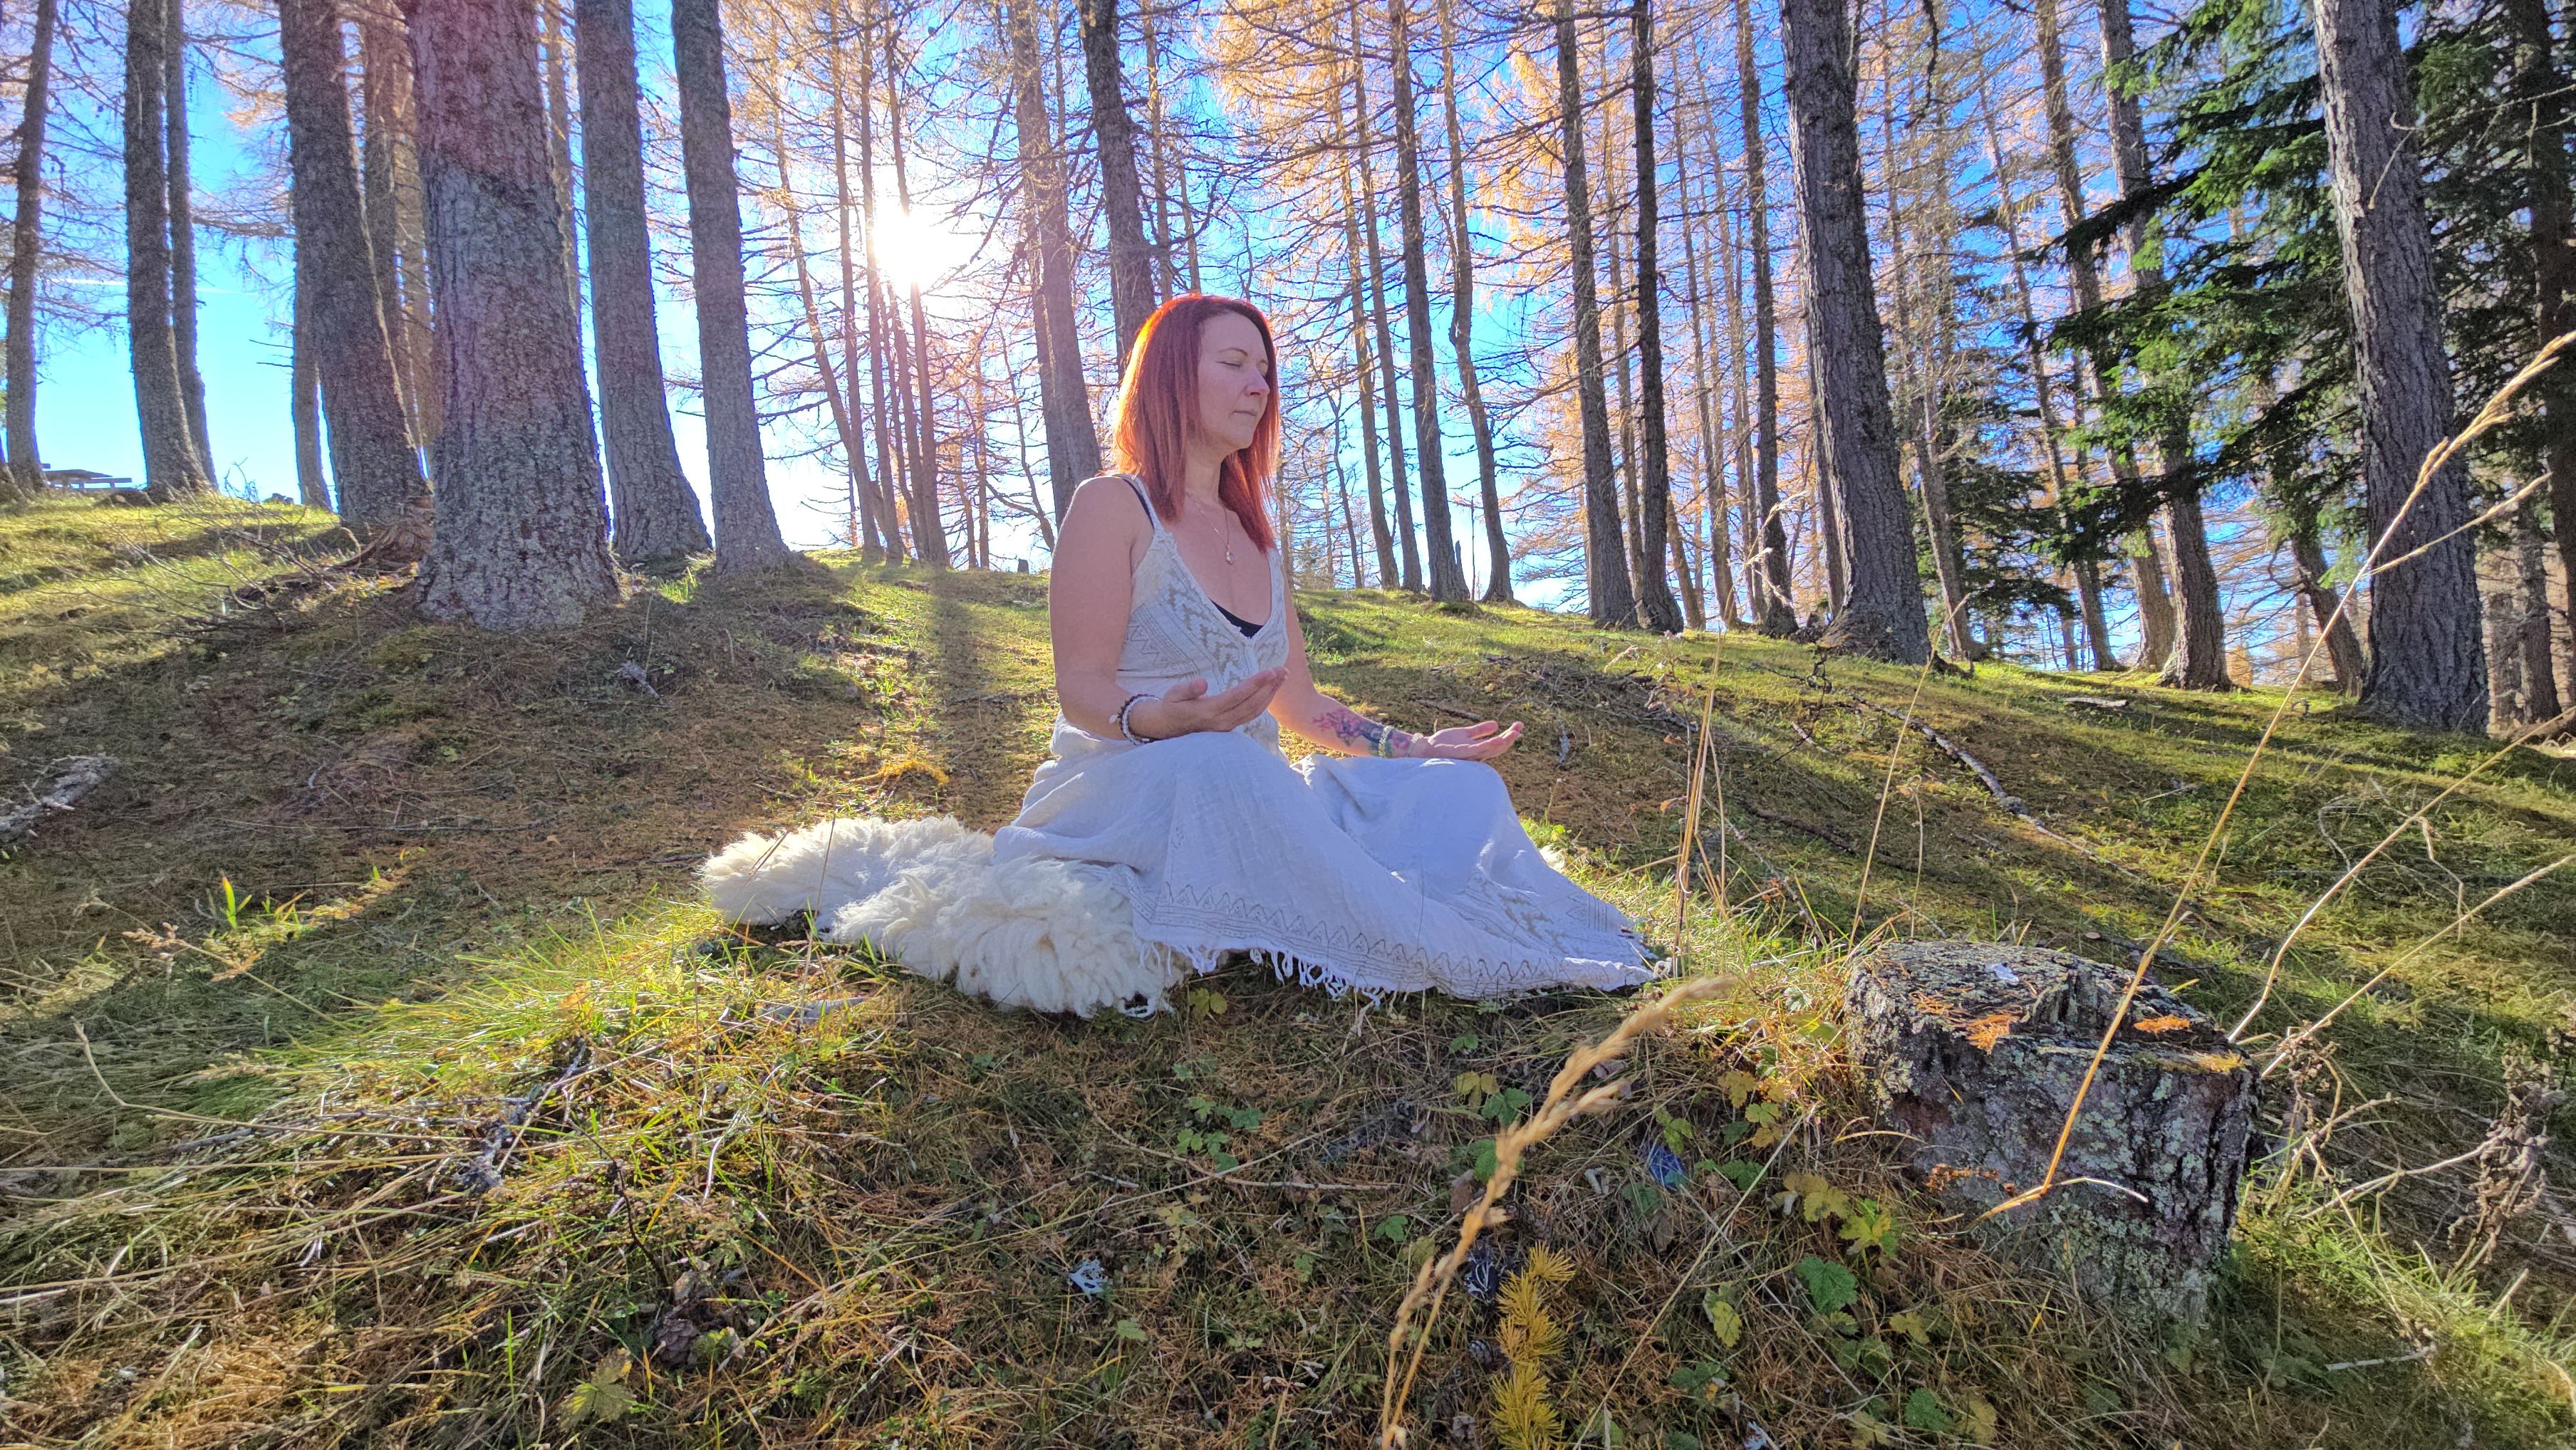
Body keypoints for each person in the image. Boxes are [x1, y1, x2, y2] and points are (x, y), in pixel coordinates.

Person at [990, 293, 1655, 1001]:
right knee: (1222, 761)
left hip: (1255, 788)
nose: (1259, 386)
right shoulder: (1113, 505)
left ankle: (1462, 919)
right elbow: (1081, 685)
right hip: (1130, 791)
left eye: (1264, 371)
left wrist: (1417, 747)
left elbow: (1301, 704)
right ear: (1171, 375)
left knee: (1460, 788)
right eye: (1234, 363)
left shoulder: (1258, 541)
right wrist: (1159, 718)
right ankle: (1445, 951)